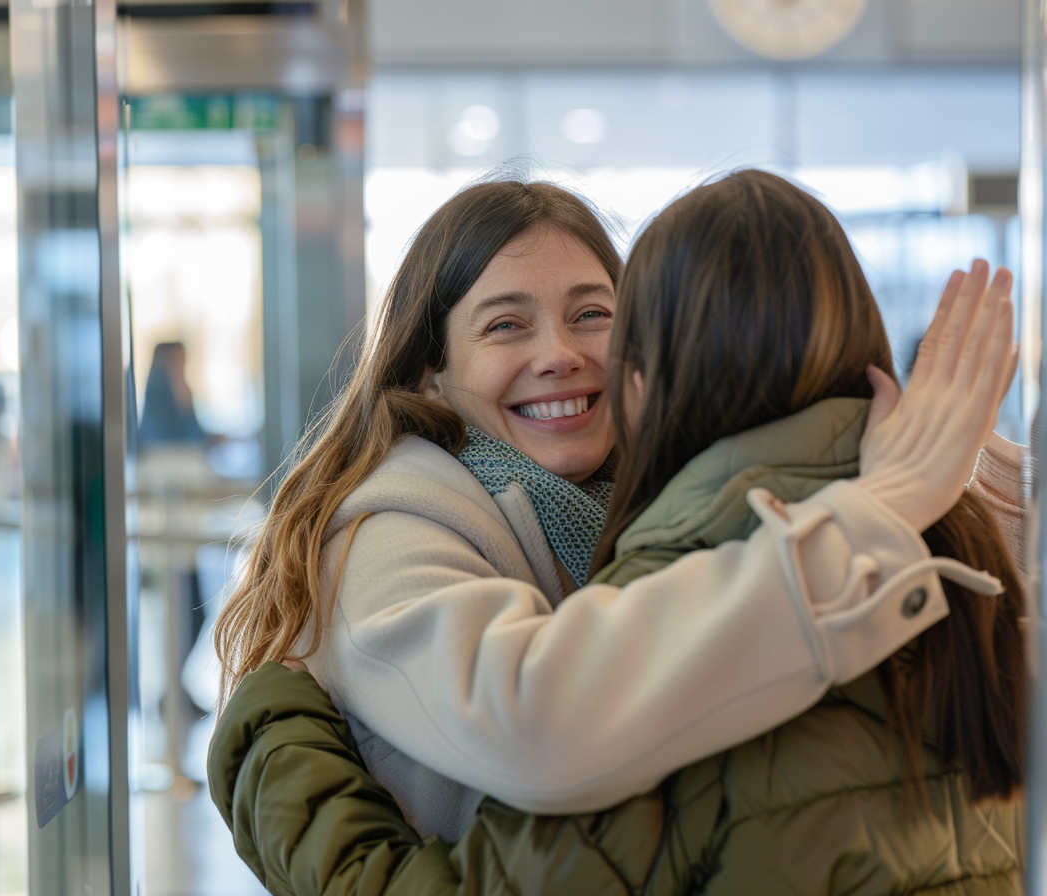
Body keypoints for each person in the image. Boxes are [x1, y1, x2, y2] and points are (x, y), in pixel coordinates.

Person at [208, 170, 1025, 893]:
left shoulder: (693, 526)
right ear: (430, 370)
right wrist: (886, 507)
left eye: (593, 313)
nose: (560, 353)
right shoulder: (393, 532)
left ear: (643, 353)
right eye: (505, 325)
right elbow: (541, 719)